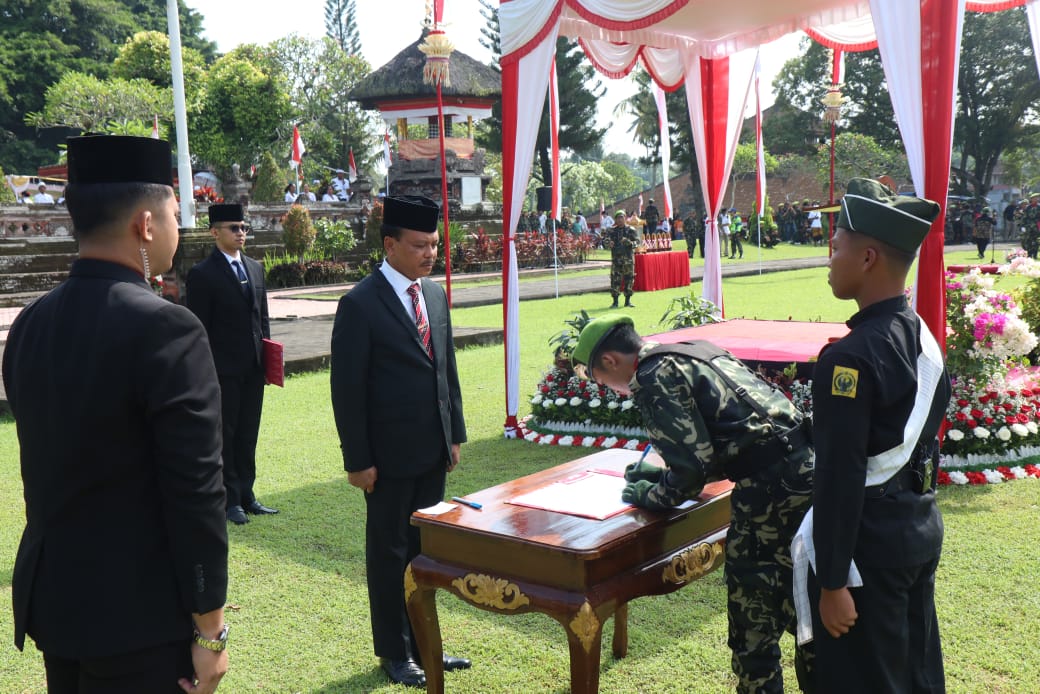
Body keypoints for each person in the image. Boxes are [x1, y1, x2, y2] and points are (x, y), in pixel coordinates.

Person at [2, 135, 229, 692]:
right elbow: (195, 490)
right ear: (146, 225)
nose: (181, 226)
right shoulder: (167, 328)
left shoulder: (31, 322)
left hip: (57, 602)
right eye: (177, 213)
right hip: (139, 617)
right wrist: (210, 631)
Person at [571, 314, 814, 693]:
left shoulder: (653, 378)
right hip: (806, 476)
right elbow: (729, 434)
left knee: (755, 617)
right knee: (809, 603)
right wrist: (666, 474)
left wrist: (653, 494)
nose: (611, 390)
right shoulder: (690, 350)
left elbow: (691, 473)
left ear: (609, 361)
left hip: (771, 496)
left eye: (602, 381)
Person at [795, 178, 949, 693]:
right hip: (917, 527)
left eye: (835, 247)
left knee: (868, 681)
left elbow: (840, 477)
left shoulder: (849, 358)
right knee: (916, 672)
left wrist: (834, 581)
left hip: (866, 557)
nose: (829, 258)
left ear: (867, 258)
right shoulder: (921, 334)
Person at [330, 195, 469, 689]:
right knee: (388, 555)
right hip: (385, 462)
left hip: (431, 451)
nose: (430, 253)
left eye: (434, 244)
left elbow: (445, 369)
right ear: (390, 245)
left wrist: (454, 434)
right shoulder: (360, 304)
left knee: (423, 556)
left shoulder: (432, 293)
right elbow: (347, 390)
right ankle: (394, 651)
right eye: (419, 245)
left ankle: (426, 642)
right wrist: (358, 460)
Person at [186, 203, 278, 526]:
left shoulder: (254, 268)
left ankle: (248, 493)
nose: (241, 233)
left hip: (253, 368)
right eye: (234, 228)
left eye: (243, 228)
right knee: (227, 432)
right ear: (215, 232)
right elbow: (200, 329)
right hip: (222, 370)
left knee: (249, 432)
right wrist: (205, 373)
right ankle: (230, 499)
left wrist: (268, 362)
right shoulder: (202, 274)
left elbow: (262, 319)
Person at [604, 209, 639, 308]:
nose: (619, 220)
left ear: (625, 218)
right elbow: (604, 241)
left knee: (629, 279)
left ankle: (627, 301)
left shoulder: (631, 230)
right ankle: (615, 302)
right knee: (615, 280)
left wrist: (630, 243)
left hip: (628, 260)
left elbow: (638, 242)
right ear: (615, 219)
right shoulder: (611, 231)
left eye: (621, 217)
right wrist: (608, 243)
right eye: (617, 218)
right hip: (616, 260)